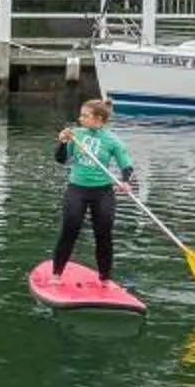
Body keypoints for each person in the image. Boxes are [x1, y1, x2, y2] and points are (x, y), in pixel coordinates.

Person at [51, 96, 136, 283]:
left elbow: (126, 165)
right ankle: (56, 274)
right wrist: (63, 142)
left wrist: (125, 181)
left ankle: (105, 279)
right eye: (81, 115)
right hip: (77, 190)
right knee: (70, 230)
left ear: (98, 119)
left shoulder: (112, 140)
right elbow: (60, 159)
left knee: (103, 235)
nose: (80, 119)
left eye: (85, 116)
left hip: (102, 192)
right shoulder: (76, 135)